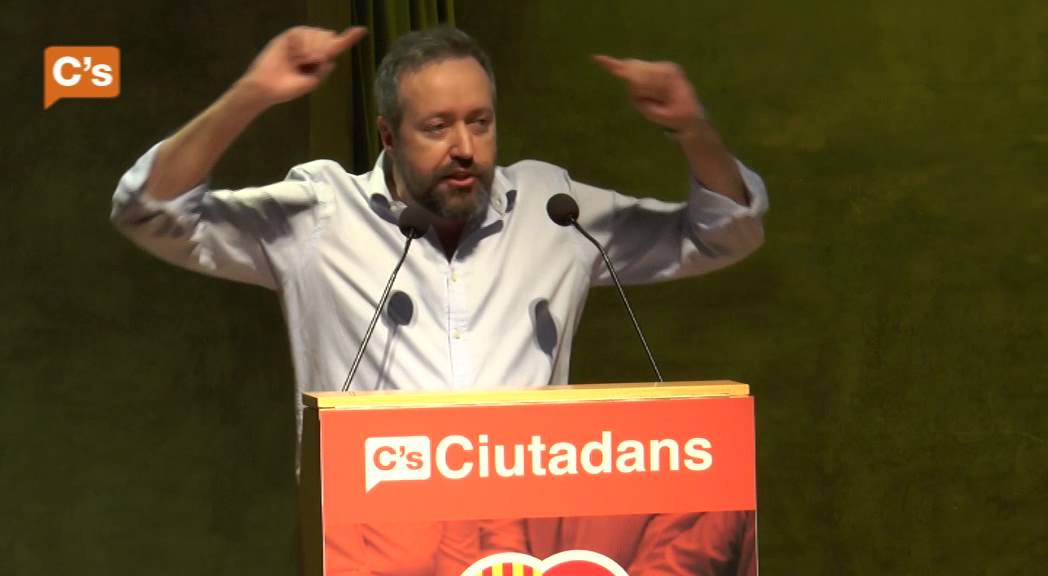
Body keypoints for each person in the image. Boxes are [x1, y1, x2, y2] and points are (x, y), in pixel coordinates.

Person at [111, 24, 767, 576]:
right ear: (388, 136)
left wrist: (691, 128)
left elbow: (724, 233)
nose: (465, 149)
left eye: (480, 123)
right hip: (378, 548)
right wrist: (251, 96)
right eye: (437, 127)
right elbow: (149, 210)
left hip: (533, 549)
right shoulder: (318, 214)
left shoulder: (555, 211)